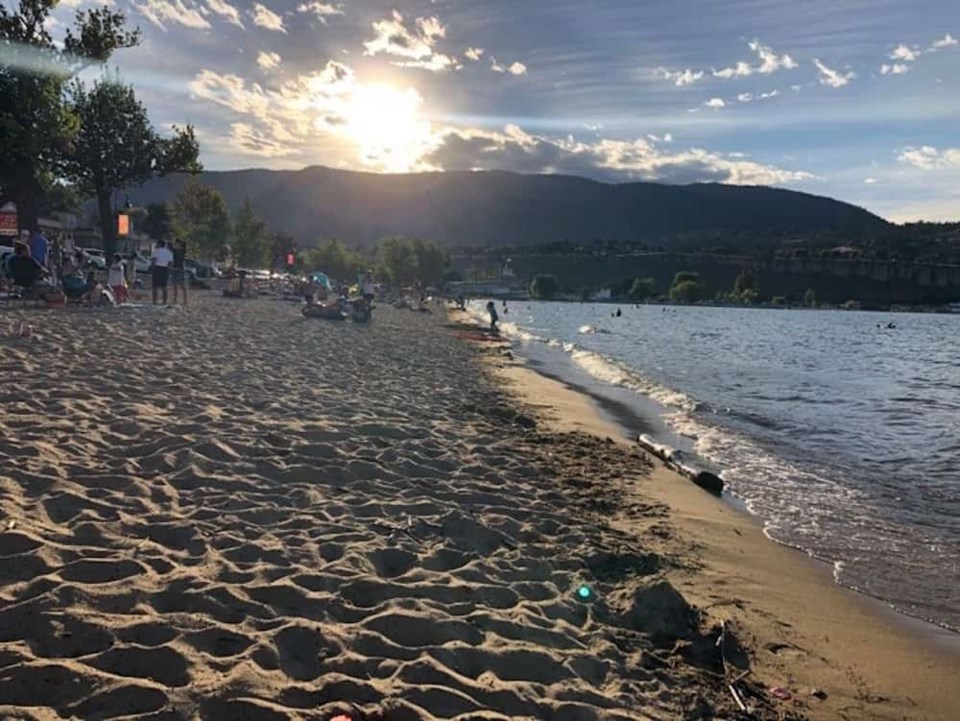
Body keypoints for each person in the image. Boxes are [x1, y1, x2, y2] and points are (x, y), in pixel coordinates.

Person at [150, 240, 174, 305]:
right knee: (164, 286)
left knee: (155, 286)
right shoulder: (169, 252)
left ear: (160, 244)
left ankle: (154, 301)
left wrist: (152, 269)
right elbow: (170, 263)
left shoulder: (156, 251)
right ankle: (164, 302)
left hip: (157, 268)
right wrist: (168, 269)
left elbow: (154, 260)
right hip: (165, 269)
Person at [170, 238, 188, 305]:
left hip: (179, 269)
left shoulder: (179, 251)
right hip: (177, 268)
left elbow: (170, 246)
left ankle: (182, 300)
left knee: (180, 285)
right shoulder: (181, 251)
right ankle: (179, 300)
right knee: (177, 285)